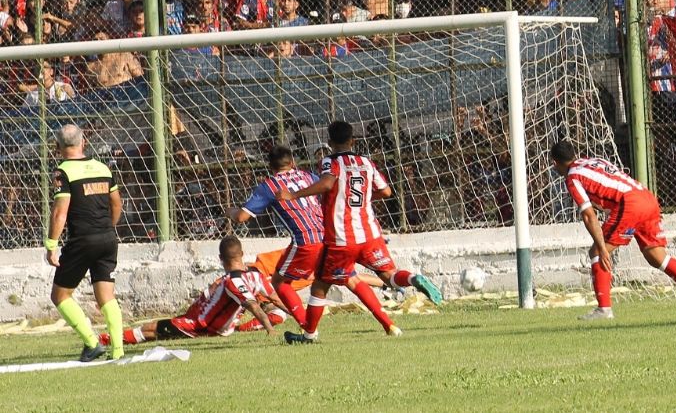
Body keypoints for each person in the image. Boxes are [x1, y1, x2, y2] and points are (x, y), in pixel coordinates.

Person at [277, 121, 443, 344]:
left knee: (320, 285)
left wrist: (294, 195)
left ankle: (309, 335)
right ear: (353, 141)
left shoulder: (330, 162)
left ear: (329, 142)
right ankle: (414, 278)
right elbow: (386, 191)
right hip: (370, 235)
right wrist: (363, 198)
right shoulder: (366, 162)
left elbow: (327, 184)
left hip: (341, 239)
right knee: (389, 276)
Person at [227, 144, 403, 334]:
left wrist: (230, 211)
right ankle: (389, 324)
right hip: (331, 236)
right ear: (292, 162)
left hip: (306, 240)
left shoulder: (268, 186)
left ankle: (307, 327)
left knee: (279, 282)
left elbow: (241, 217)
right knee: (351, 278)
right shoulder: (308, 176)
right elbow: (331, 188)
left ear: (270, 167)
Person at [549, 141, 676, 320]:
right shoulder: (593, 161)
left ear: (555, 163)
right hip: (646, 197)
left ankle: (604, 310)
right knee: (656, 256)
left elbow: (589, 216)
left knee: (597, 252)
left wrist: (602, 247)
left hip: (630, 204)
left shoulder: (573, 177)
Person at [99, 235, 284, 346]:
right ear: (242, 254)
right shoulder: (256, 275)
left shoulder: (233, 281)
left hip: (202, 325)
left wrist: (270, 330)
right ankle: (109, 339)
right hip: (203, 320)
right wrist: (299, 316)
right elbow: (276, 298)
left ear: (220, 258)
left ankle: (105, 340)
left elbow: (253, 305)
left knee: (152, 329)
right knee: (157, 327)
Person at [45, 124, 124, 361]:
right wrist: (107, 228)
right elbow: (116, 203)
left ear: (57, 147)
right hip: (107, 237)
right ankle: (118, 351)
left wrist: (51, 245)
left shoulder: (63, 172)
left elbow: (60, 212)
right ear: (84, 142)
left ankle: (92, 343)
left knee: (60, 295)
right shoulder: (102, 167)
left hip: (82, 241)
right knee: (107, 296)